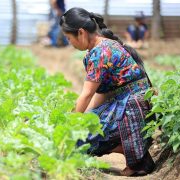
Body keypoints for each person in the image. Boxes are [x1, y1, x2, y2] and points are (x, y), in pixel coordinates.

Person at [60, 7, 155, 176]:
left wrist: (71, 126)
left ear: (80, 33)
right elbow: (102, 93)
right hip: (129, 102)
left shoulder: (100, 53)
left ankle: (137, 161)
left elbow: (87, 94)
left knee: (81, 140)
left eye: (68, 38)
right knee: (88, 130)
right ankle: (136, 153)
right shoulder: (102, 47)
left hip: (132, 106)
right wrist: (88, 117)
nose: (69, 43)